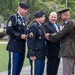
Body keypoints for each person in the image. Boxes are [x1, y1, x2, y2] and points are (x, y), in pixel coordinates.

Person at [45, 9, 75, 75]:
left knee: (67, 71)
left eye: (60, 16)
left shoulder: (68, 23)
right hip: (70, 50)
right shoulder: (71, 22)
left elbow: (61, 34)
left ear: (65, 15)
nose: (60, 18)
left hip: (68, 50)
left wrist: (49, 36)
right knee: (70, 71)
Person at [6, 2, 29, 75]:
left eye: (27, 9)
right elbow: (9, 30)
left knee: (19, 67)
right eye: (25, 9)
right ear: (19, 8)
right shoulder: (14, 17)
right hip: (14, 47)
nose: (26, 11)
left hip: (21, 47)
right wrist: (20, 36)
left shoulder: (23, 19)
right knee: (13, 69)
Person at [27, 10, 46, 75]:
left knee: (40, 71)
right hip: (36, 54)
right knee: (35, 72)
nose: (44, 18)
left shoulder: (41, 27)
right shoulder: (34, 27)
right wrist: (32, 53)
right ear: (38, 18)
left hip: (41, 54)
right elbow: (30, 41)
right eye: (42, 17)